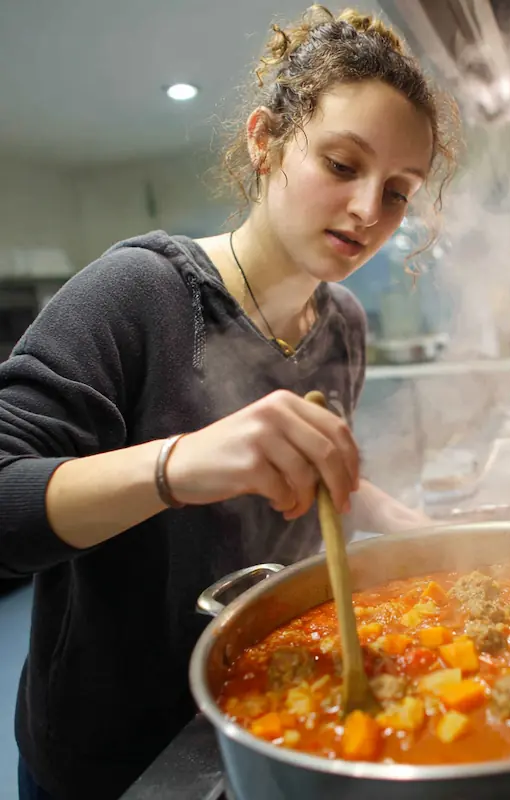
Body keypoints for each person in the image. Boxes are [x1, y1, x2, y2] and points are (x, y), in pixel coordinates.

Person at [0, 6, 459, 798]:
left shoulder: (342, 320)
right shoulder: (138, 293)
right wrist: (179, 464)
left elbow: (304, 481)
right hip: (114, 759)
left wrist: (414, 530)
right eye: (343, 164)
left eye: (397, 192)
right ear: (265, 139)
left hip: (268, 717)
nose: (367, 211)